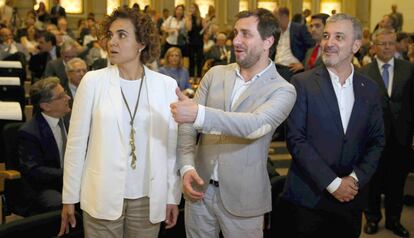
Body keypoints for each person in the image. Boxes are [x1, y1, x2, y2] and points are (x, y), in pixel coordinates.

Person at [170, 8, 296, 238]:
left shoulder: (283, 89)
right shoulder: (215, 74)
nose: (235, 40)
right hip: (199, 190)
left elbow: (254, 126)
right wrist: (186, 167)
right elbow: (187, 127)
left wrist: (199, 113)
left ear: (268, 41)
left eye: (245, 34)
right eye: (235, 33)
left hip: (244, 199)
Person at [58, 7, 181, 237]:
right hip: (101, 195)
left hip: (148, 198)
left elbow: (171, 148)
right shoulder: (93, 82)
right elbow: (75, 145)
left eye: (122, 35)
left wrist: (172, 195)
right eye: (111, 35)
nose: (112, 42)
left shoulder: (165, 86)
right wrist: (69, 197)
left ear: (141, 43)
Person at [280, 13, 385, 238]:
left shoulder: (370, 89)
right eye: (326, 36)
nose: (329, 43)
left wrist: (354, 180)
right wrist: (333, 183)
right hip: (308, 200)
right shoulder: (302, 83)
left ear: (356, 45)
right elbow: (296, 140)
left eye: (339, 37)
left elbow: (376, 141)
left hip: (351, 201)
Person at [361, 28, 414, 238]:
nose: (387, 47)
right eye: (382, 43)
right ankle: (373, 218)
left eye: (391, 43)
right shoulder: (364, 72)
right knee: (372, 180)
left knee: (397, 181)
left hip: (401, 137)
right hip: (373, 138)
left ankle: (394, 220)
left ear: (396, 45)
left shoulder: (409, 69)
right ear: (374, 46)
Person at [18, 77, 71, 215]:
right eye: (61, 96)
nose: (68, 97)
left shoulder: (69, 121)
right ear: (46, 106)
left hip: (71, 180)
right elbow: (34, 171)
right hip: (44, 187)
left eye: (65, 92)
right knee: (60, 203)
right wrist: (68, 174)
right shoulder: (29, 132)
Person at [274, 7, 314, 81]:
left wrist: (303, 64)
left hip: (291, 70)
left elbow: (312, 46)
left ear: (284, 16)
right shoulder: (277, 32)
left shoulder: (298, 28)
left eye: (275, 17)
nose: (274, 20)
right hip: (276, 69)